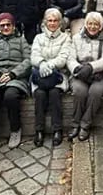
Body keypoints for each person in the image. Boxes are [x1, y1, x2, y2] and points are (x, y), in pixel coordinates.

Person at [0, 13, 32, 155]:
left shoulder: (21, 41)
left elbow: (28, 61)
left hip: (15, 78)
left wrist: (13, 74)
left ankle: (15, 130)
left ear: (13, 26)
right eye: (2, 25)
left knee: (11, 96)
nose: (6, 27)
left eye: (9, 24)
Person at [67, 11, 103, 141]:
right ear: (86, 24)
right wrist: (78, 68)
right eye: (90, 23)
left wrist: (91, 67)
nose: (92, 27)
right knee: (79, 91)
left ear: (100, 26)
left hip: (102, 74)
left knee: (95, 91)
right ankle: (75, 124)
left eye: (96, 24)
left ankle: (85, 125)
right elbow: (70, 58)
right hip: (80, 74)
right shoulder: (76, 38)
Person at [30, 8, 73, 147]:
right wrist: (41, 63)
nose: (52, 23)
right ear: (45, 22)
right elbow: (34, 56)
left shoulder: (65, 37)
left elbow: (63, 58)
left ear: (60, 22)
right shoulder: (38, 38)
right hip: (40, 76)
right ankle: (39, 130)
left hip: (58, 75)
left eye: (55, 21)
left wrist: (49, 65)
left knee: (54, 93)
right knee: (40, 94)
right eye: (50, 20)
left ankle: (57, 129)